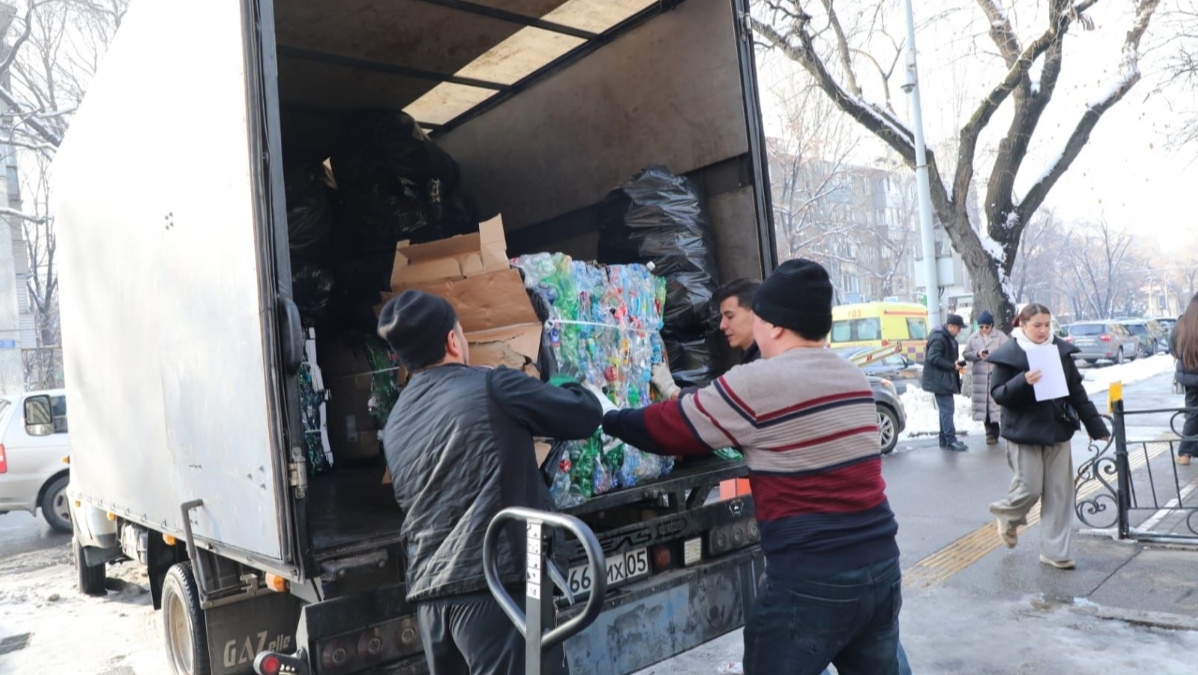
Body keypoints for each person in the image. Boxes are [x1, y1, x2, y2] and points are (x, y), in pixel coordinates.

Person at [605, 259, 905, 675]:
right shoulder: (854, 378)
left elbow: (671, 427)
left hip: (810, 581)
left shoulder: (758, 381)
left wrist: (607, 416)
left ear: (774, 325)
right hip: (882, 569)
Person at [377, 289, 603, 675]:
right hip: (499, 591)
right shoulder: (492, 386)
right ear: (453, 340)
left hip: (432, 604)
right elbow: (584, 414)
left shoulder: (396, 421)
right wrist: (563, 386)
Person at [986, 303, 1110, 570]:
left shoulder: (1060, 351)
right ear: (1022, 325)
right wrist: (1023, 381)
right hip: (1023, 433)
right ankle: (1008, 516)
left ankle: (1055, 552)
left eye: (1046, 324)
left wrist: (1096, 426)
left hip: (1057, 429)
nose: (1043, 330)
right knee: (1029, 487)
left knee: (1059, 493)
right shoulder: (1009, 354)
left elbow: (1077, 392)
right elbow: (998, 394)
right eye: (1037, 325)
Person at [651, 278, 762, 399]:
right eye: (722, 317)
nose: (722, 325)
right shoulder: (753, 357)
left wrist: (671, 390)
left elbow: (719, 401)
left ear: (756, 313)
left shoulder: (762, 366)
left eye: (730, 316)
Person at [923, 313, 969, 451]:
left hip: (942, 380)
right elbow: (933, 357)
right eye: (958, 328)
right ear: (951, 326)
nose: (959, 331)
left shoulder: (946, 337)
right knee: (948, 409)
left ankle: (944, 438)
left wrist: (957, 365)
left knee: (945, 410)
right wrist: (952, 366)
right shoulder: (939, 338)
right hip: (939, 381)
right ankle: (950, 439)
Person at [963, 310, 1009, 445]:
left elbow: (1008, 351)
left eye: (987, 327)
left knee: (997, 404)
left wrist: (996, 357)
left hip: (996, 374)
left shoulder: (1000, 337)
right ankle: (990, 433)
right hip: (980, 377)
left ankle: (1002, 429)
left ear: (992, 326)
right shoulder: (973, 338)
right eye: (981, 327)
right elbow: (966, 354)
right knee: (984, 406)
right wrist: (977, 354)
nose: (984, 330)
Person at [1170, 294, 1198, 465]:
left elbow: (1172, 348)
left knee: (1193, 413)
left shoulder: (1181, 325)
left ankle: (1185, 453)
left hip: (1189, 377)